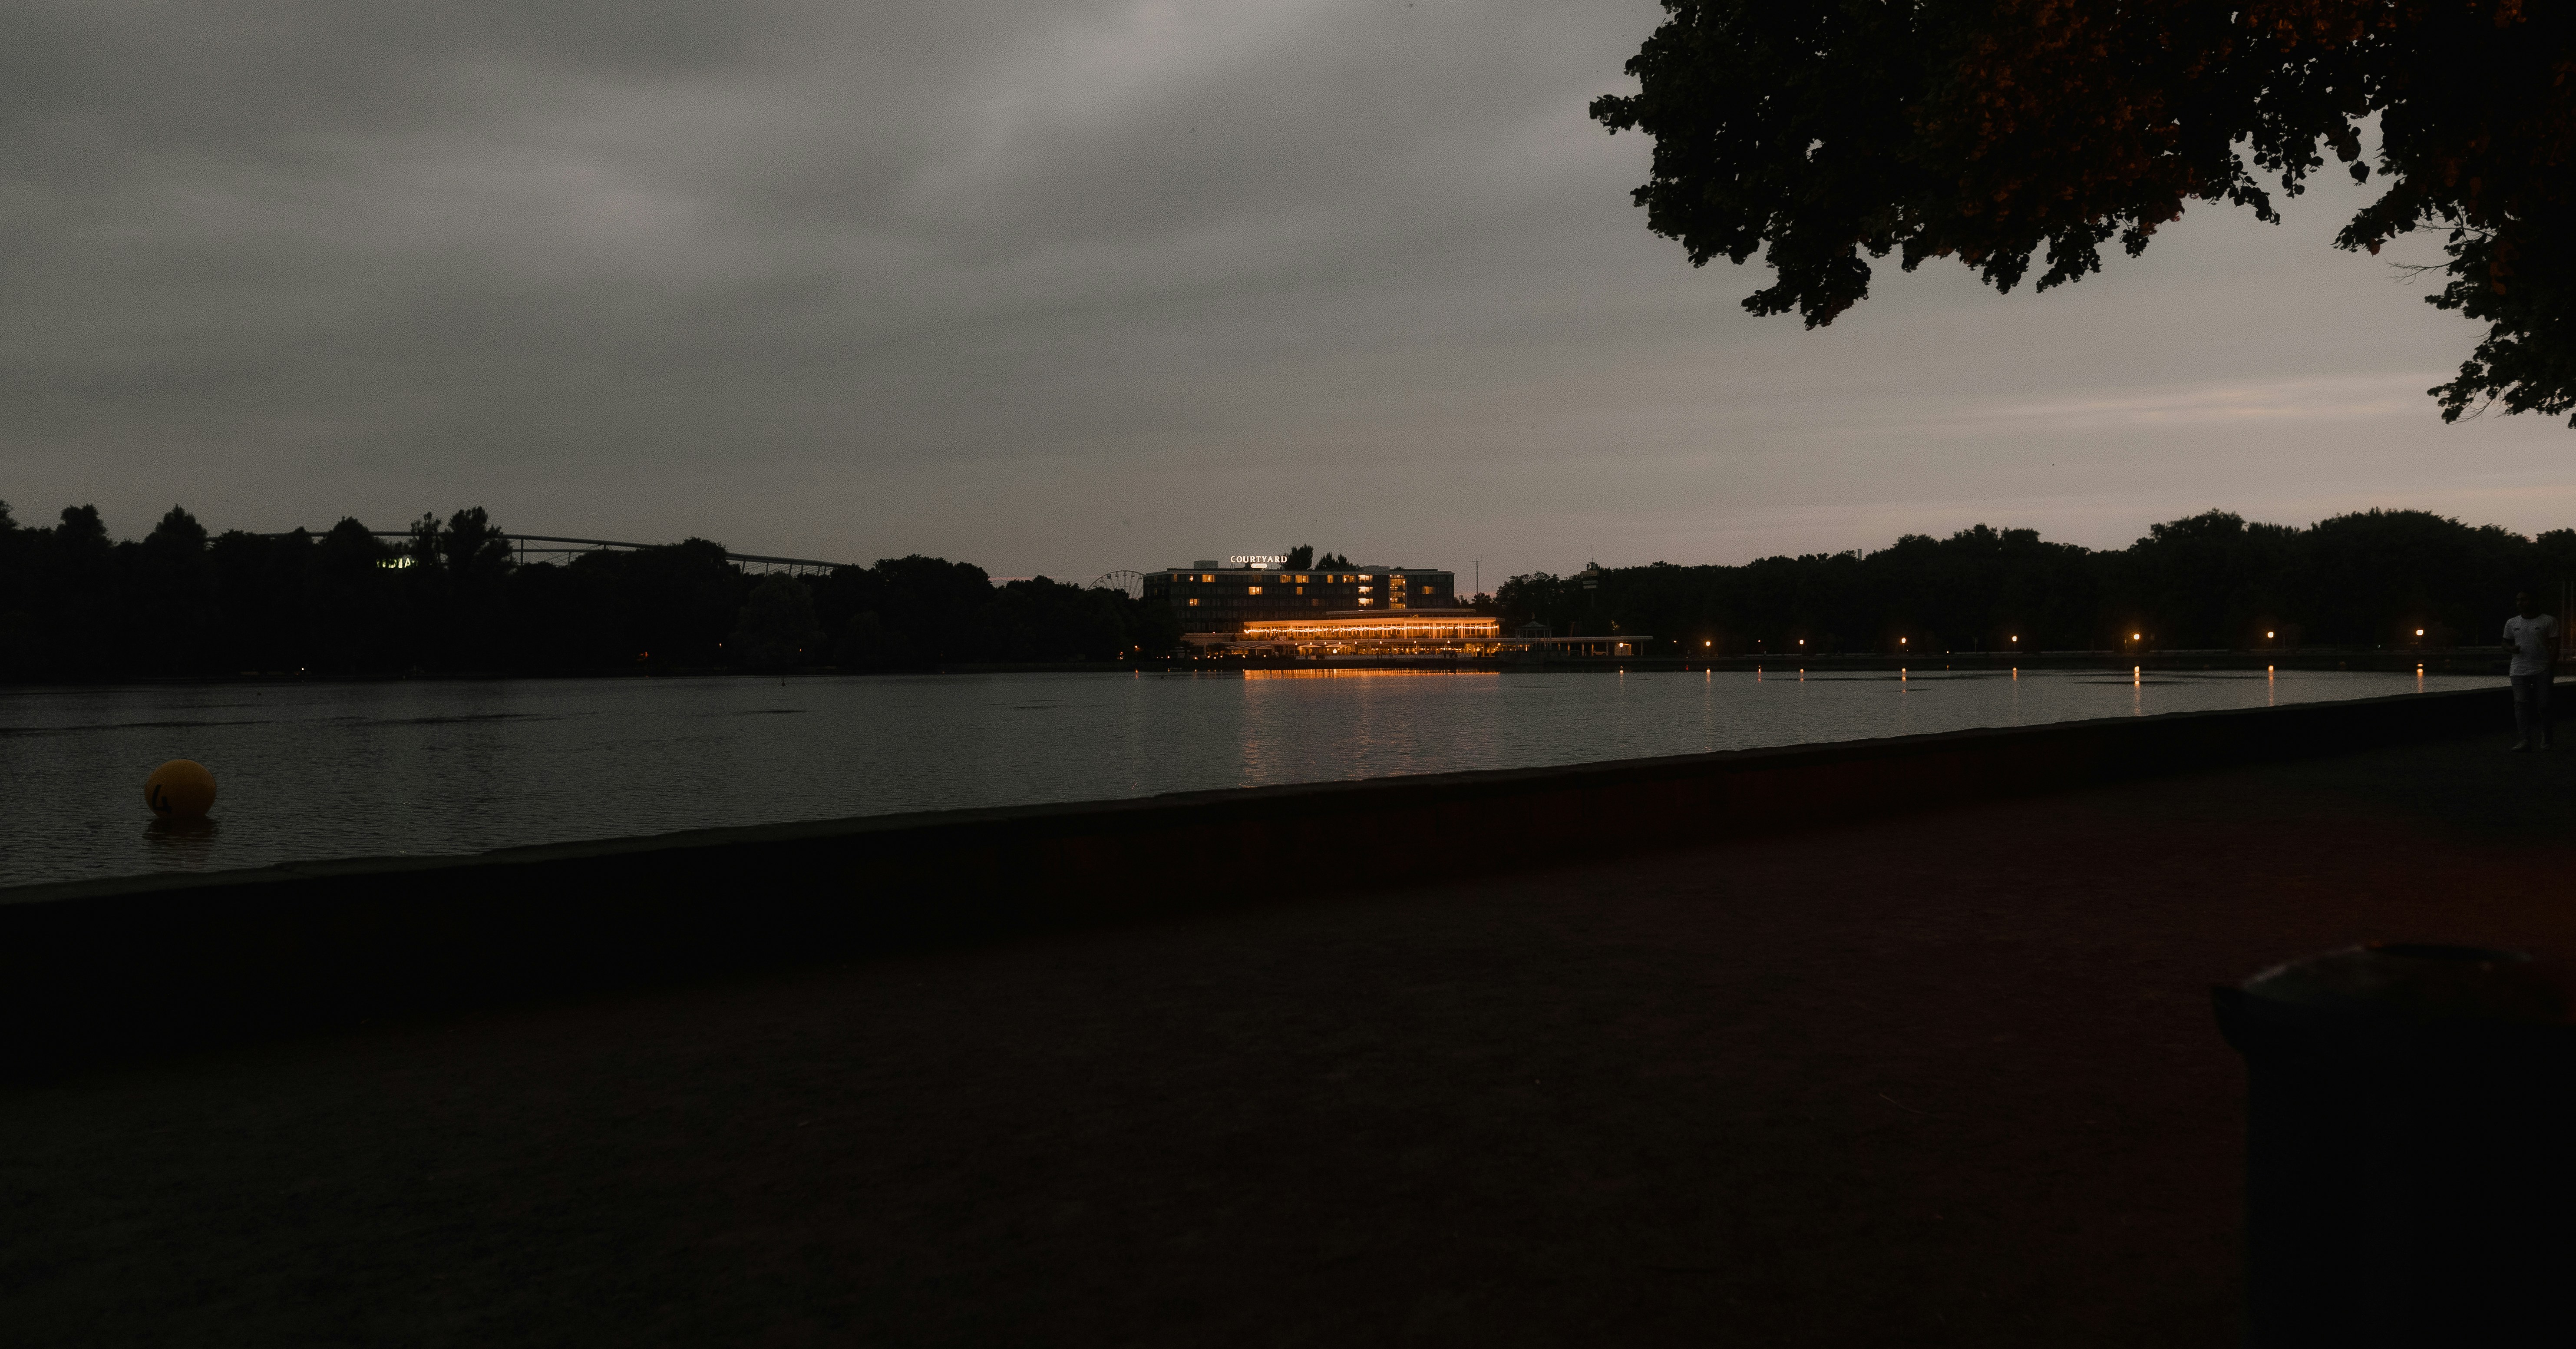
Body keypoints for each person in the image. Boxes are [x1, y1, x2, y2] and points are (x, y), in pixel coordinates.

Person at [2503, 590, 2559, 751]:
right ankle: (2525, 740)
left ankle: (2547, 738)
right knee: (2521, 704)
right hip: (2519, 669)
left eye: (2524, 600)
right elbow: (2505, 642)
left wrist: (2551, 667)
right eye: (2518, 600)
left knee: (2545, 705)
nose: (2520, 603)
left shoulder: (2549, 621)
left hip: (2542, 669)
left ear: (2534, 601)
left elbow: (2555, 646)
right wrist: (2511, 648)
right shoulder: (2512, 623)